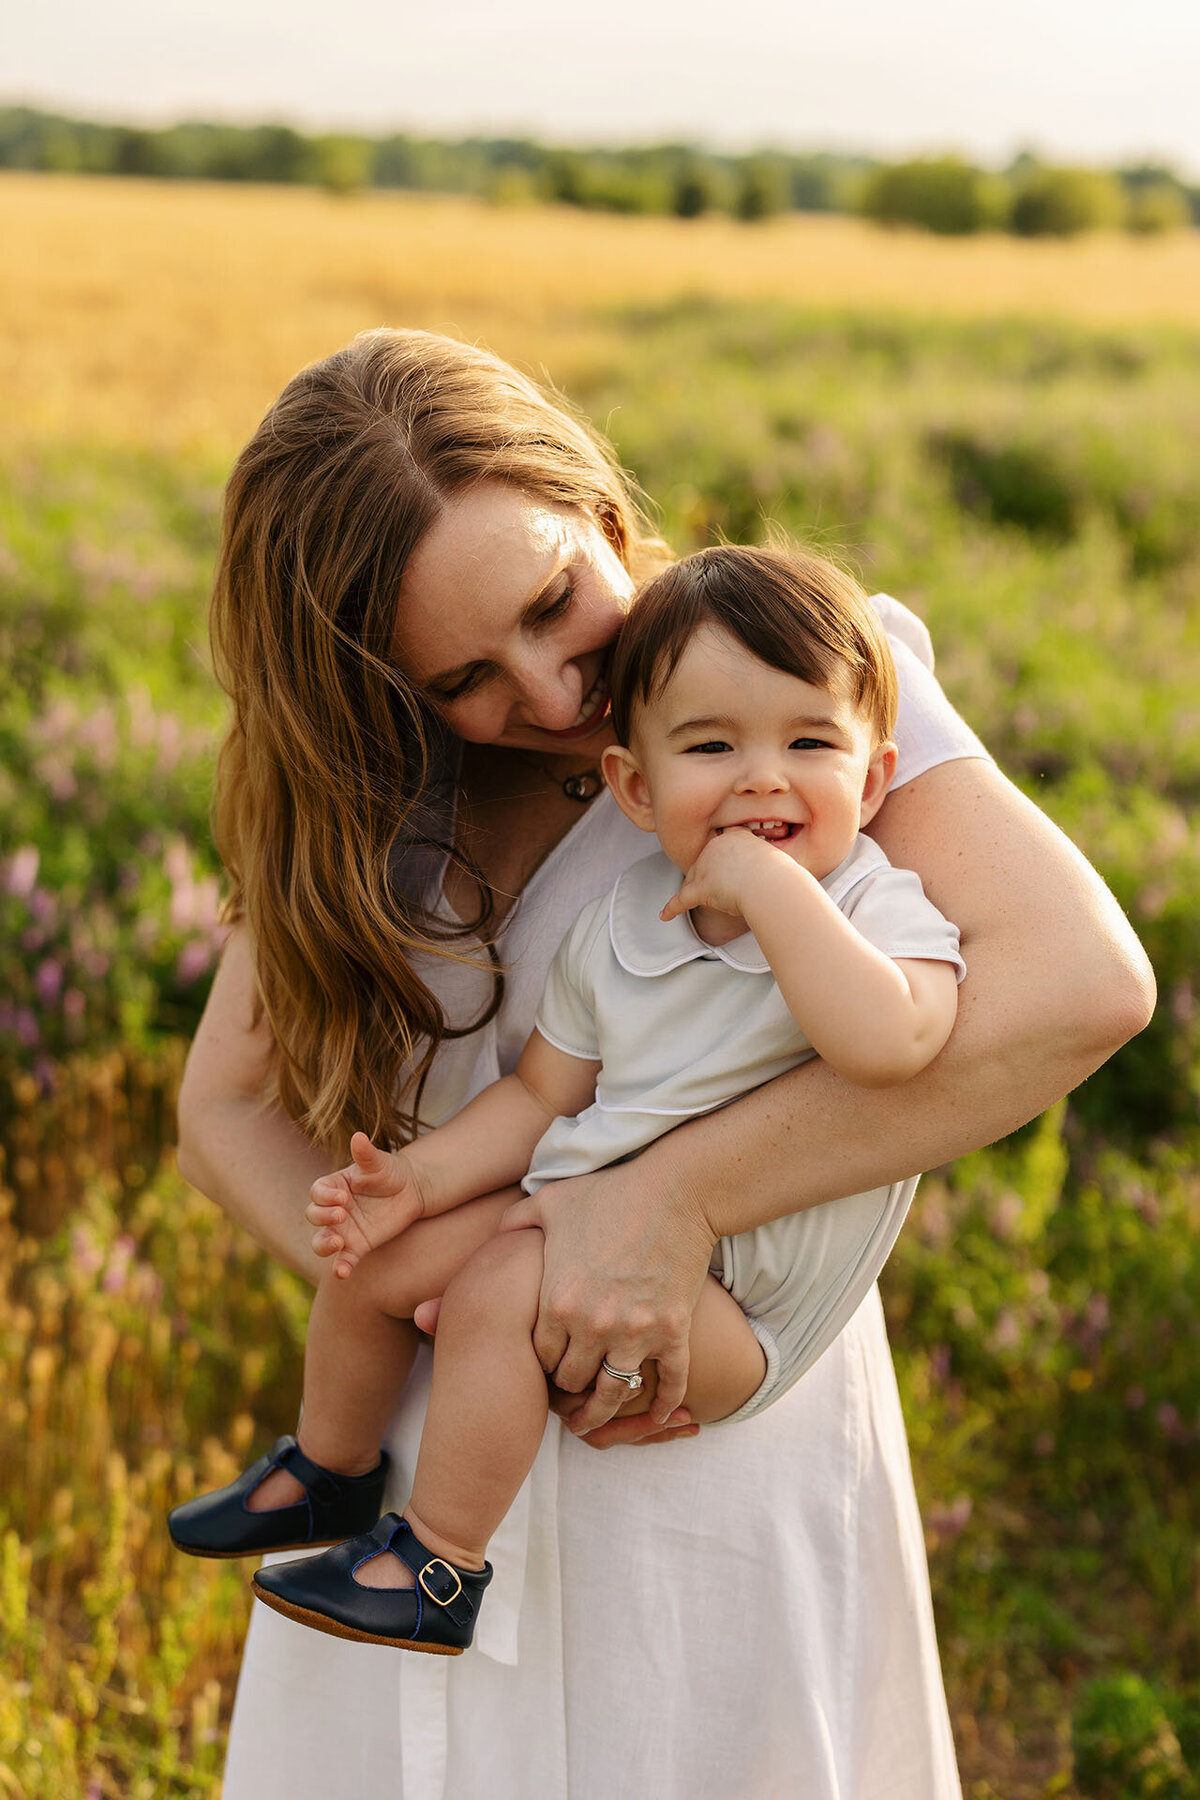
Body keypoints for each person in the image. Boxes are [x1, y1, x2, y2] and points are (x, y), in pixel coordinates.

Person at [175, 328, 1154, 1798]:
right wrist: (440, 1289)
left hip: (699, 1451)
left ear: (600, 506)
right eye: (465, 676)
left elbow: (1080, 988)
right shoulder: (361, 784)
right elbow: (224, 1106)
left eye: (558, 601)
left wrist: (671, 1203)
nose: (551, 688)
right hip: (432, 1455)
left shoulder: (788, 675)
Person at [167, 544, 967, 1654]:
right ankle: (328, 1473)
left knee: (495, 1290)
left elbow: (892, 1044)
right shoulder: (622, 924)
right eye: (711, 748)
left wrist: (777, 893)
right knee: (378, 1270)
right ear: (635, 787)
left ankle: (438, 1570)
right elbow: (544, 1095)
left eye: (810, 744)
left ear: (874, 779)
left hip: (743, 1300)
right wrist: (419, 1179)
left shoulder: (880, 905)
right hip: (580, 1219)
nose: (762, 777)